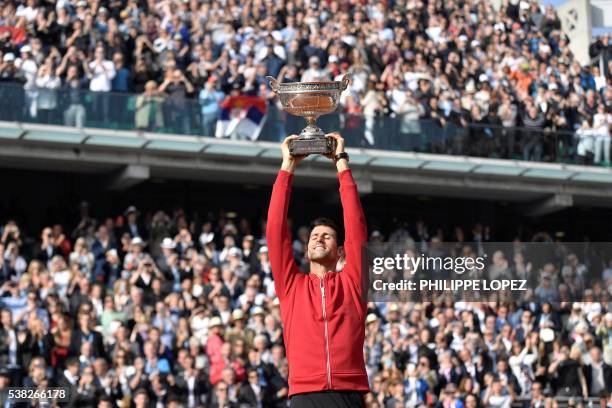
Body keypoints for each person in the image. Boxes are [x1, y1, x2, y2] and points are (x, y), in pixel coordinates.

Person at [266, 133, 369, 407]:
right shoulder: (291, 286)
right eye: (314, 236)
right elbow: (276, 231)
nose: (319, 238)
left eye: (327, 236)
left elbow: (357, 228)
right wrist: (287, 167)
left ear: (340, 250)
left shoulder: (354, 283)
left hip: (348, 392)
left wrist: (341, 164)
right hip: (304, 393)